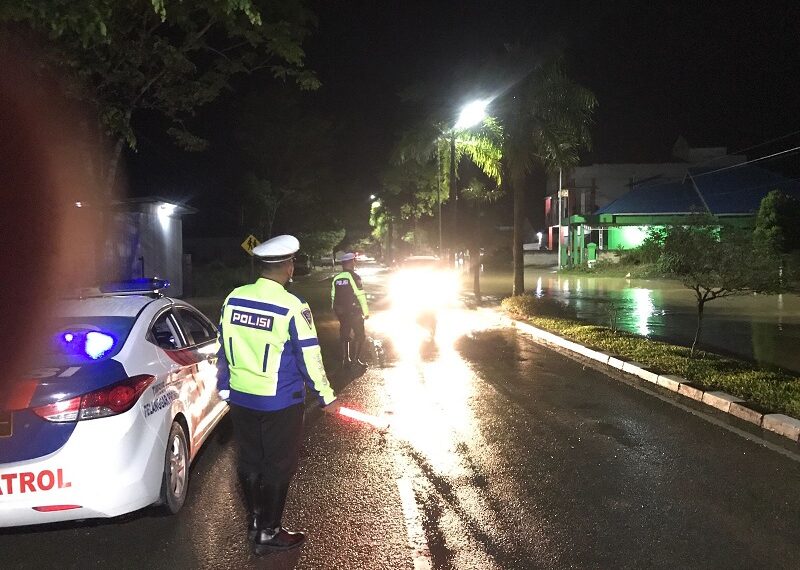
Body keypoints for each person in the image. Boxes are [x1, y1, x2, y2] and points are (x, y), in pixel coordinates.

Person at [216, 234, 340, 554]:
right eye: (292, 262)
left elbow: (222, 347)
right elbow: (309, 356)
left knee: (250, 461)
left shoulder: (233, 298)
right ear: (287, 266)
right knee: (278, 466)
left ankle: (256, 521)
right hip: (279, 402)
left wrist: (225, 386)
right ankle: (269, 531)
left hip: (241, 398)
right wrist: (325, 396)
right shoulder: (292, 306)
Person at [331, 252, 370, 368]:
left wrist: (334, 310)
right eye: (354, 261)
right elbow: (360, 295)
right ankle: (356, 359)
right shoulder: (355, 277)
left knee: (345, 334)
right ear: (351, 262)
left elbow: (333, 295)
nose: (355, 262)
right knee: (360, 335)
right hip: (354, 311)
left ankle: (346, 359)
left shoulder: (336, 278)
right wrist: (366, 312)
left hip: (342, 312)